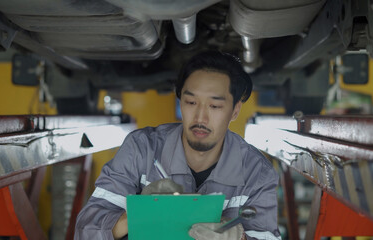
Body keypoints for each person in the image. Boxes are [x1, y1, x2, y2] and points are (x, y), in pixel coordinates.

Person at [75, 51, 280, 240]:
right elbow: (86, 230)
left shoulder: (256, 172)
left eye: (215, 106)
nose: (201, 118)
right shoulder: (141, 149)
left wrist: (239, 238)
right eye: (191, 102)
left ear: (235, 110)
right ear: (180, 101)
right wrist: (139, 215)